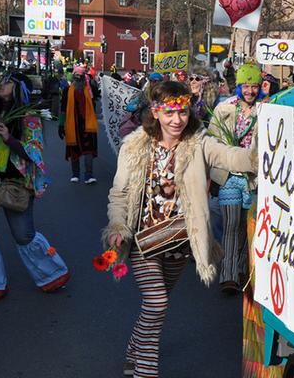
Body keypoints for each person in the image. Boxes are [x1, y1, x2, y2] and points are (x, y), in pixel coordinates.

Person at [102, 80, 256, 378]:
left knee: (155, 307)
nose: (177, 120)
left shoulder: (197, 143)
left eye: (183, 113)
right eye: (170, 113)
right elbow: (119, 193)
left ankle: (134, 349)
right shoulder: (135, 147)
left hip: (179, 242)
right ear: (156, 113)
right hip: (142, 242)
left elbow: (228, 155)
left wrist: (261, 155)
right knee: (157, 302)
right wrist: (118, 225)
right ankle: (145, 372)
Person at [0, 72, 69, 301]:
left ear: (19, 88)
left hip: (14, 184)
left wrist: (9, 138)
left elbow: (35, 153)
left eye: (7, 81)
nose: (1, 83)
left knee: (24, 235)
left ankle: (52, 274)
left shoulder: (29, 116)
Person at [208, 63, 262, 293]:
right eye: (245, 86)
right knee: (230, 224)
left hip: (253, 177)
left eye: (254, 86)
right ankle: (228, 276)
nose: (249, 91)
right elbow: (213, 139)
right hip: (229, 174)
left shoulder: (266, 109)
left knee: (244, 225)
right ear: (239, 87)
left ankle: (241, 269)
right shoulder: (224, 109)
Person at [59, 66, 99, 184]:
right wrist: (61, 124)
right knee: (74, 150)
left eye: (81, 76)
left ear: (83, 77)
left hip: (88, 125)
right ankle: (75, 174)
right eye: (77, 76)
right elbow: (63, 109)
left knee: (89, 151)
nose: (78, 78)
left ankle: (89, 175)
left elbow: (97, 98)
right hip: (73, 125)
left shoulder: (90, 89)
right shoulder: (67, 90)